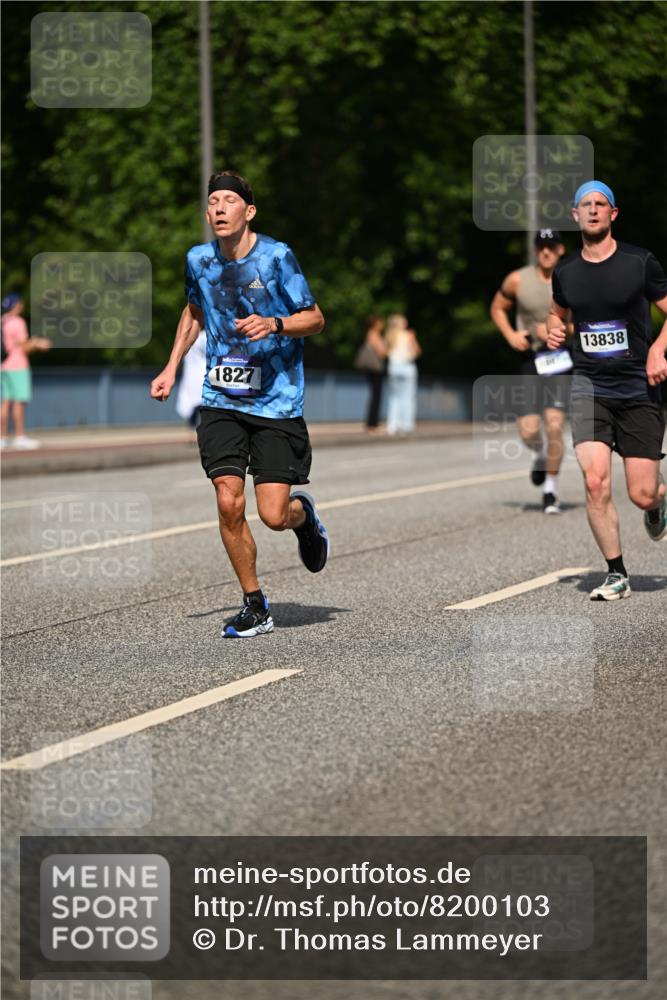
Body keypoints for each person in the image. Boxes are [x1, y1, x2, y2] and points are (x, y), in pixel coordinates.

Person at [150, 170, 329, 637]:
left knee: (273, 514)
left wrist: (274, 324)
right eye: (213, 202)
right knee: (228, 501)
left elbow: (315, 318)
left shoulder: (276, 257)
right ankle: (255, 605)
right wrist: (171, 366)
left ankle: (304, 517)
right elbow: (193, 311)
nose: (219, 209)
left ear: (248, 212)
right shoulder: (198, 260)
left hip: (276, 401)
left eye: (229, 201)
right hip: (220, 397)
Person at [547, 180, 667, 601]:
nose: (593, 210)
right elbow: (557, 314)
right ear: (575, 215)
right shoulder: (565, 272)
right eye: (586, 204)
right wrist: (553, 328)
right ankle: (616, 572)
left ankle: (657, 503)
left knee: (641, 492)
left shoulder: (639, 263)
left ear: (613, 214)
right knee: (595, 482)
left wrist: (658, 348)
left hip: (638, 387)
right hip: (589, 387)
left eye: (601, 204)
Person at [490, 230, 570, 514]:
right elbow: (497, 308)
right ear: (536, 251)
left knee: (554, 424)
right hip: (529, 358)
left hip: (559, 358)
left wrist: (556, 329)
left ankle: (551, 491)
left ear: (560, 249)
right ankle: (539, 454)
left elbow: (583, 324)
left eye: (550, 247)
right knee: (529, 430)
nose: (545, 252)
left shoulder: (572, 278)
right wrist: (510, 334)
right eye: (540, 247)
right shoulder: (517, 279)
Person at [1, 292, 51, 449]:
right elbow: (25, 347)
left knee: (5, 402)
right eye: (20, 303)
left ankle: (2, 438)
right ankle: (19, 436)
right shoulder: (18, 322)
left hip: (3, 366)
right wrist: (37, 343)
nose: (22, 305)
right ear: (15, 305)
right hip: (18, 366)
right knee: (19, 402)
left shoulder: (2, 321)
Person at [385, 313, 421, 435]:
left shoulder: (390, 335)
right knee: (408, 396)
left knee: (394, 397)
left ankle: (392, 425)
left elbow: (386, 352)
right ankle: (407, 425)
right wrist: (413, 339)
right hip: (407, 366)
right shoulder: (408, 335)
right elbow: (416, 352)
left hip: (393, 367)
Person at [354, 314, 387, 433]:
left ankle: (373, 423)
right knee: (376, 396)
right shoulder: (373, 334)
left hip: (374, 369)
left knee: (376, 395)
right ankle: (372, 424)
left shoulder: (371, 334)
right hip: (375, 368)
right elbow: (382, 352)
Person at [175, 328, 207, 427]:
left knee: (194, 403)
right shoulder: (204, 337)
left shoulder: (188, 339)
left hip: (192, 374)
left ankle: (192, 429)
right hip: (201, 374)